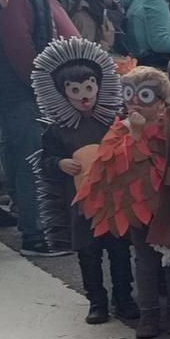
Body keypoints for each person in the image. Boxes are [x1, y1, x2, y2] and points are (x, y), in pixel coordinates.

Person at [0, 0, 79, 257]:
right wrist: (43, 84)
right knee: (32, 158)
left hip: (28, 87)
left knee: (26, 153)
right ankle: (38, 233)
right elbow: (18, 44)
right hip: (23, 90)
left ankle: (40, 226)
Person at [75, 66, 170, 339]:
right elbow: (117, 166)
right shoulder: (120, 129)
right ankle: (148, 314)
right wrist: (136, 136)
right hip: (139, 209)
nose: (135, 103)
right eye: (129, 96)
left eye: (144, 96)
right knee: (145, 260)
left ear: (161, 103)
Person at [32, 38, 135, 324]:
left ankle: (124, 297)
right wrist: (59, 163)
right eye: (75, 90)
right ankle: (97, 300)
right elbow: (45, 161)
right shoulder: (58, 130)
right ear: (62, 93)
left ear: (100, 86)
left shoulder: (113, 122)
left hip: (114, 201)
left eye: (89, 87)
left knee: (120, 252)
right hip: (81, 205)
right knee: (88, 254)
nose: (83, 95)